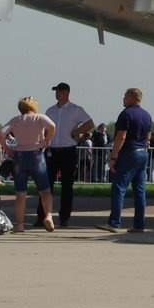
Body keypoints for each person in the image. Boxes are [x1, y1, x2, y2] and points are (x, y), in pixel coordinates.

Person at [0, 96, 57, 233]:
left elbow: (1, 133)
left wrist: (8, 149)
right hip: (37, 155)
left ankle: (19, 224)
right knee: (45, 191)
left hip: (19, 157)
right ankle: (48, 215)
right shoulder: (39, 118)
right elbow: (52, 126)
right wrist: (46, 141)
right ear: (33, 106)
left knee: (20, 194)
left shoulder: (16, 120)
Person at [44, 82, 93, 229]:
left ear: (66, 93)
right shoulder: (50, 111)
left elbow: (90, 123)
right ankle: (44, 215)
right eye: (56, 92)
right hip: (52, 150)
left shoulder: (75, 109)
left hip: (68, 150)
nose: (56, 94)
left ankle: (64, 217)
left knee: (67, 186)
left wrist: (77, 132)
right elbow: (45, 128)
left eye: (59, 91)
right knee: (46, 185)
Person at [105, 87, 153, 234]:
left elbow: (121, 137)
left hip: (129, 153)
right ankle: (139, 224)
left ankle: (114, 222)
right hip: (143, 153)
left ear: (132, 98)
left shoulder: (126, 114)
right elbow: (148, 138)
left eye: (125, 96)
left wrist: (113, 156)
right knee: (139, 190)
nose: (123, 98)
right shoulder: (147, 115)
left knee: (119, 187)